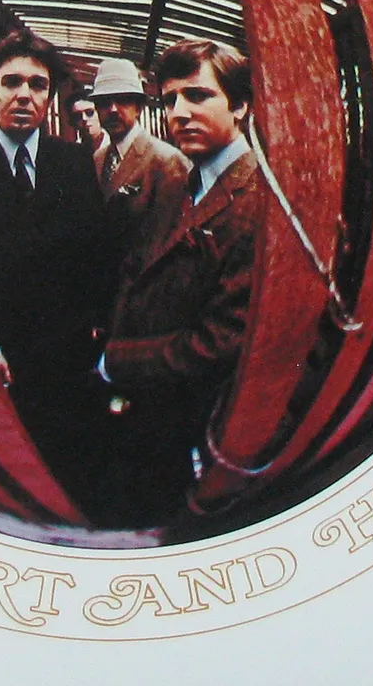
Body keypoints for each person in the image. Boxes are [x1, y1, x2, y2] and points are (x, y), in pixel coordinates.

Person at [96, 39, 262, 526]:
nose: (179, 113)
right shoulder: (186, 183)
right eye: (170, 100)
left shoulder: (255, 200)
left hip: (201, 428)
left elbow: (222, 341)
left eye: (198, 96)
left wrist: (118, 361)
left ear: (240, 105)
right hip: (156, 412)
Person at [0, 30, 108, 502]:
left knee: (69, 472)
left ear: (50, 97)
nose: (24, 95)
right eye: (11, 82)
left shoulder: (74, 164)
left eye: (37, 85)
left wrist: (94, 332)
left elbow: (94, 253)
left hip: (66, 356)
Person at [89, 56, 190, 271]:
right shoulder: (98, 159)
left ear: (139, 107)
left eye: (123, 100)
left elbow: (166, 243)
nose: (113, 109)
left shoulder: (167, 161)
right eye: (105, 102)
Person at [65, 91, 106, 156]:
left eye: (89, 112)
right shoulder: (73, 153)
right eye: (78, 116)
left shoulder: (114, 144)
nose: (84, 118)